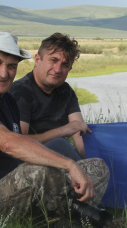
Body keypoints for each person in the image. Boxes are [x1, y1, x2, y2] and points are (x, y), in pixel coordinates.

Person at [0, 31, 109, 227]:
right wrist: (69, 165)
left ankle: (77, 219)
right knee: (41, 172)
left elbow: (21, 144)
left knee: (97, 168)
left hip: (13, 181)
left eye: (11, 66)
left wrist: (73, 168)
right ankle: (75, 223)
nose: (4, 73)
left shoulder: (6, 99)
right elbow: (9, 143)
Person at [10, 33, 89, 161]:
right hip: (24, 163)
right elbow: (20, 141)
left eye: (65, 65)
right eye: (53, 60)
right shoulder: (20, 92)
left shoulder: (66, 91)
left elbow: (79, 131)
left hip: (56, 160)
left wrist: (91, 159)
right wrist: (62, 131)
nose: (57, 69)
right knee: (60, 144)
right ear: (37, 60)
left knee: (96, 155)